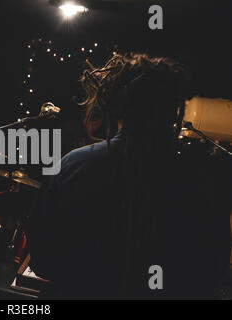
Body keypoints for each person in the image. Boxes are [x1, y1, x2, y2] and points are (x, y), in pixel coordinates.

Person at [28, 53, 226, 299]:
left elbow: (42, 260)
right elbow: (210, 274)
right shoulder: (199, 179)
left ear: (117, 107)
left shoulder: (72, 166)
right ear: (175, 108)